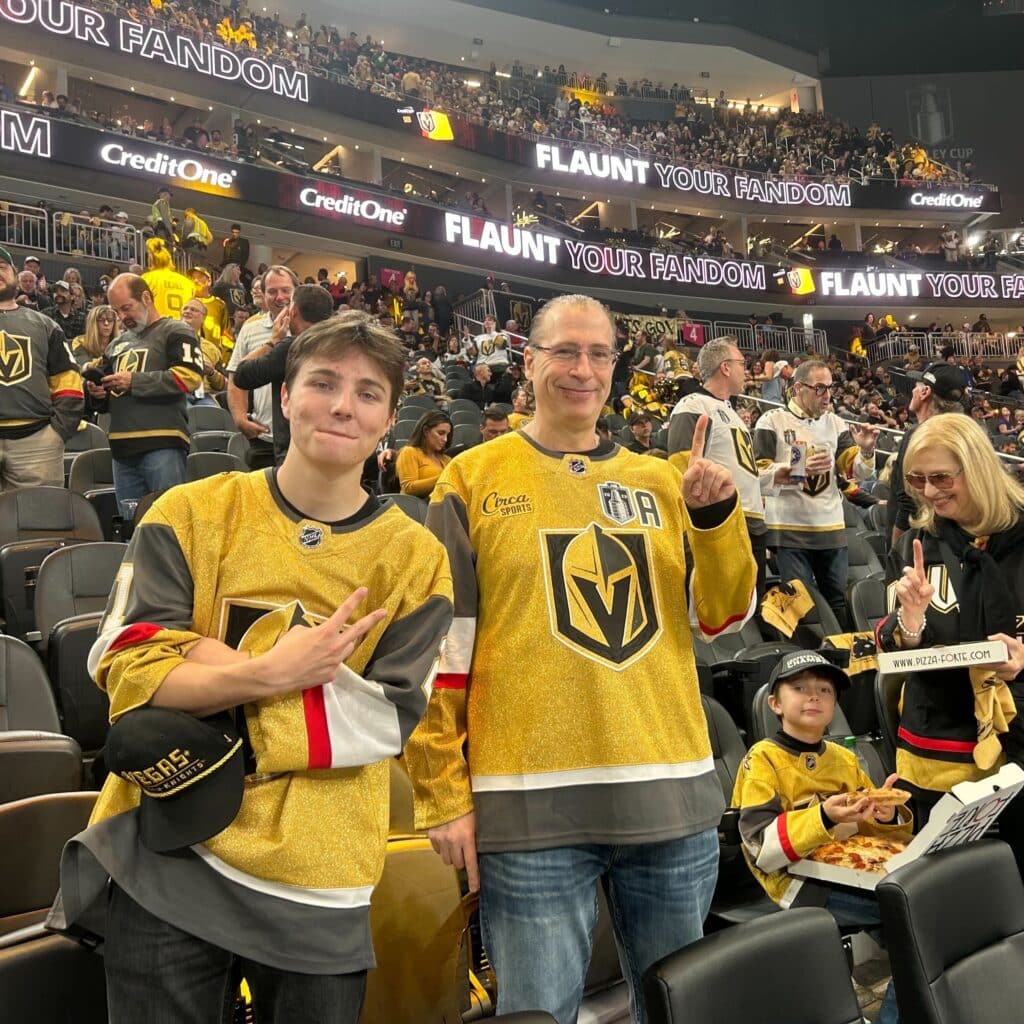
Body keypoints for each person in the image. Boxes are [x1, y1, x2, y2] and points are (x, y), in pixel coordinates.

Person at [49, 311, 453, 1024]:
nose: (341, 404)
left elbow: (388, 718)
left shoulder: (418, 560)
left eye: (366, 393)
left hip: (320, 875)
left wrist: (204, 671)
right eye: (322, 383)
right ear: (286, 397)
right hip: (170, 852)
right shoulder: (191, 510)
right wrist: (271, 674)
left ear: (389, 418)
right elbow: (128, 665)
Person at [405, 293, 757, 1024]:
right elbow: (444, 650)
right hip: (530, 812)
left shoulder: (663, 481)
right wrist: (442, 792)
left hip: (671, 797)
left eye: (598, 353)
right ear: (527, 362)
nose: (583, 368)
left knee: (684, 1012)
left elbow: (720, 617)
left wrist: (717, 521)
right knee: (537, 1014)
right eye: (564, 350)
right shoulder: (470, 479)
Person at [878, 413, 1024, 877]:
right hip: (938, 748)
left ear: (977, 468)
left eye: (941, 477)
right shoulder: (916, 547)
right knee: (956, 898)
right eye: (917, 479)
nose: (928, 490)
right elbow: (894, 646)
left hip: (1019, 743)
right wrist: (912, 619)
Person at [733, 650, 908, 1024]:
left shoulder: (844, 758)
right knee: (911, 917)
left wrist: (885, 813)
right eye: (800, 688)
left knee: (916, 918)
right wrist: (824, 816)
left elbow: (870, 836)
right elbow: (761, 847)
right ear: (774, 703)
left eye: (825, 690)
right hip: (793, 883)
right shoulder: (762, 758)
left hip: (852, 873)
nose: (814, 696)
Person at [753, 359, 878, 626]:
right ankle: (806, 662)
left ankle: (843, 659)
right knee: (799, 604)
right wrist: (794, 468)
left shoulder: (835, 424)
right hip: (789, 531)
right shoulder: (771, 421)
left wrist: (866, 450)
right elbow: (757, 475)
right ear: (798, 387)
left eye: (830, 388)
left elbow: (856, 470)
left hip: (831, 528)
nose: (828, 395)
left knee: (837, 600)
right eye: (820, 388)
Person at [669, 336, 790, 604]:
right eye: (741, 363)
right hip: (724, 521)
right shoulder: (693, 405)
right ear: (725, 367)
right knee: (725, 608)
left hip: (753, 523)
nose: (746, 370)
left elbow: (742, 474)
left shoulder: (731, 413)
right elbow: (681, 472)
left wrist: (772, 477)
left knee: (750, 609)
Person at [85, 274, 202, 506]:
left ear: (146, 297)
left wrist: (134, 382)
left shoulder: (176, 331)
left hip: (163, 444)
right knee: (131, 528)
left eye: (126, 308)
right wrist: (98, 394)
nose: (122, 317)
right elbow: (107, 393)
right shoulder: (116, 344)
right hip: (121, 449)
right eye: (117, 311)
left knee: (168, 525)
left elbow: (189, 377)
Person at [0, 245, 83, 489]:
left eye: (2, 267)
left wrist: (56, 433)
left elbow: (69, 381)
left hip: (37, 442)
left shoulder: (45, 324)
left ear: (15, 274)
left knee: (39, 522)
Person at [233, 284, 334, 464]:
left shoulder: (291, 348)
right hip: (328, 447)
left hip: (292, 453)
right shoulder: (339, 348)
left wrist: (273, 341)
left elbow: (241, 375)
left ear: (293, 310)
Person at [888, 363, 967, 547]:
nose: (913, 391)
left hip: (920, 540)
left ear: (924, 392)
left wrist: (897, 551)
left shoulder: (918, 436)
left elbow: (908, 502)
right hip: (955, 541)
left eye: (916, 386)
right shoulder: (962, 433)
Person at [227, 266, 297, 470]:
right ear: (264, 295)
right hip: (264, 438)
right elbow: (235, 377)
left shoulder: (311, 327)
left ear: (296, 291)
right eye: (272, 291)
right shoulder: (250, 329)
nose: (279, 296)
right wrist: (240, 419)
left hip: (305, 438)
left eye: (286, 290)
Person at [180, 299, 226, 408]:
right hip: (178, 393)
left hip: (204, 395)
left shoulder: (212, 349)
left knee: (215, 417)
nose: (187, 311)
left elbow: (223, 385)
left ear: (203, 318)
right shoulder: (167, 339)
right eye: (185, 308)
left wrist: (211, 372)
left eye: (193, 310)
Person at [395, 410, 451, 497]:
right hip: (415, 508)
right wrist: (445, 478)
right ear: (426, 431)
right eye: (441, 433)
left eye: (447, 435)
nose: (445, 439)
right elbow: (408, 488)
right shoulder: (409, 452)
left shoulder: (446, 459)